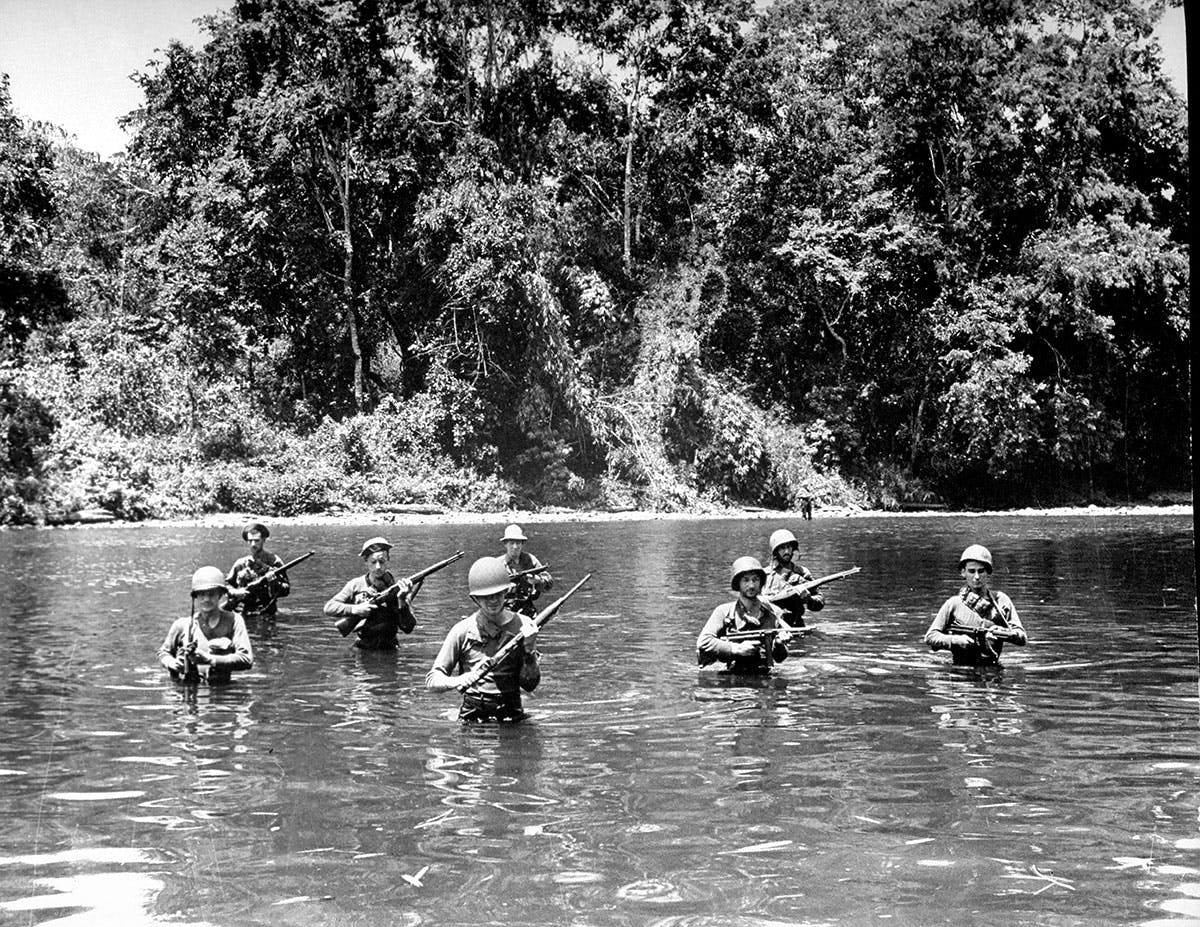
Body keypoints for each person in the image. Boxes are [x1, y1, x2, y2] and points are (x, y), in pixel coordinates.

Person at [426, 556, 541, 722]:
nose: (493, 601)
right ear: (476, 598)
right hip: (474, 713)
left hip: (511, 711)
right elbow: (432, 680)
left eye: (497, 594)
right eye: (486, 596)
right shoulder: (462, 630)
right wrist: (458, 680)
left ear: (505, 592)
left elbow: (530, 685)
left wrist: (529, 651)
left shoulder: (524, 625)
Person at [924, 544, 1028, 667]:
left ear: (988, 572)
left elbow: (1022, 638)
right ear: (963, 573)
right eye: (971, 571)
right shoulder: (954, 604)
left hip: (993, 672)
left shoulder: (1001, 601)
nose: (977, 577)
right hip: (961, 673)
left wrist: (1004, 633)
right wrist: (954, 640)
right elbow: (930, 636)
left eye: (981, 571)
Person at [697, 556, 794, 674]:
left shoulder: (774, 613)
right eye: (746, 580)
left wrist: (779, 644)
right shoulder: (724, 612)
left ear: (761, 582)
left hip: (764, 678)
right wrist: (736, 648)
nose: (751, 585)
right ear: (738, 583)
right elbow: (704, 641)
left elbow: (780, 658)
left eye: (755, 580)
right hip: (731, 680)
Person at [157, 566, 254, 684]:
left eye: (212, 594)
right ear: (195, 596)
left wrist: (210, 659)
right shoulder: (182, 625)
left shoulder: (234, 621)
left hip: (221, 692)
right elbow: (163, 653)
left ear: (220, 595)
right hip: (188, 691)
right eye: (202, 594)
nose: (206, 599)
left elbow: (246, 659)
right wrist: (172, 663)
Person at [323, 537, 415, 650]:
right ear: (366, 562)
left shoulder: (399, 588)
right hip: (362, 647)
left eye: (382, 561)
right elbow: (329, 607)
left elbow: (408, 628)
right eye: (373, 562)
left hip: (389, 648)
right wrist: (355, 609)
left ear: (388, 560)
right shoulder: (355, 585)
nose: (378, 567)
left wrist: (402, 600)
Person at [225, 522, 290, 616]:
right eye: (250, 541)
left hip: (268, 612)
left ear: (264, 540)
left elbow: (286, 590)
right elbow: (227, 585)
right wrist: (236, 592)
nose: (253, 544)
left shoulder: (274, 561)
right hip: (244, 612)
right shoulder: (240, 563)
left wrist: (274, 583)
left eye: (256, 540)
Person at [762, 528, 825, 628]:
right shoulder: (764, 575)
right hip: (770, 626)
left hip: (796, 625)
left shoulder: (802, 572)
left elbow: (820, 603)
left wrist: (809, 599)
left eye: (789, 547)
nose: (787, 551)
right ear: (775, 551)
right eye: (782, 548)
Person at [498, 524, 553, 617]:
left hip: (526, 609)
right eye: (511, 543)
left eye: (518, 543)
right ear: (505, 544)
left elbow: (549, 583)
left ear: (522, 544)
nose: (515, 547)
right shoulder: (497, 564)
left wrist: (538, 580)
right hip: (503, 611)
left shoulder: (530, 560)